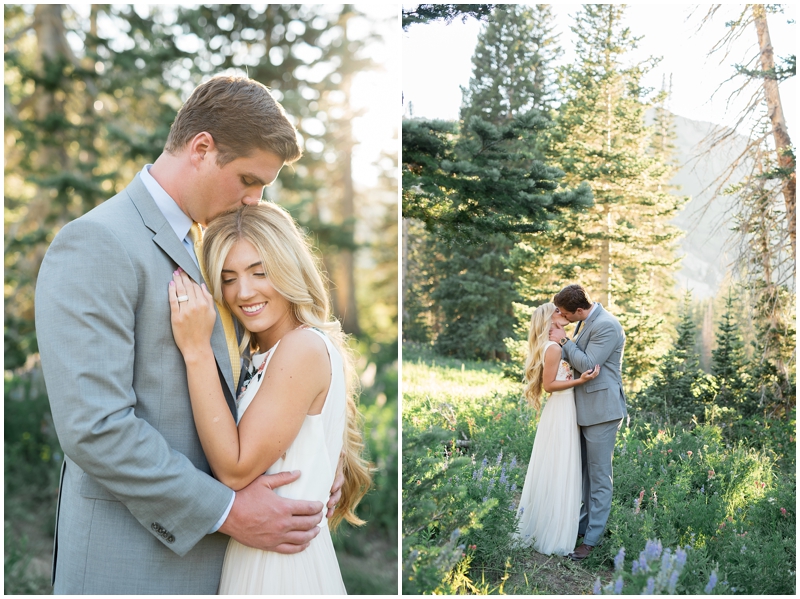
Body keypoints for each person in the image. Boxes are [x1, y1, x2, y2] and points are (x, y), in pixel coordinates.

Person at [35, 76, 343, 594]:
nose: (254, 200)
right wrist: (228, 511)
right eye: (248, 179)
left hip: (226, 567)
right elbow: (95, 428)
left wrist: (307, 456)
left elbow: (260, 375)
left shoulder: (215, 248)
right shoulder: (98, 242)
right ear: (202, 149)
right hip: (133, 565)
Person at [168, 202, 371, 594]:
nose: (244, 292)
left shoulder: (301, 348)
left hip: (280, 571)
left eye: (260, 272)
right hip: (255, 556)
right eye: (227, 279)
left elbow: (235, 468)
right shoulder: (264, 352)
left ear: (289, 267)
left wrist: (194, 350)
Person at [514, 302, 600, 556]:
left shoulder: (557, 344)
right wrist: (580, 380)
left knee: (560, 466)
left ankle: (554, 524)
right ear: (551, 319)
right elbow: (549, 385)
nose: (564, 314)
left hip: (566, 409)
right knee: (559, 466)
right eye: (559, 312)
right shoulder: (551, 348)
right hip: (560, 409)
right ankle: (550, 530)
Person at [548, 284, 627, 561]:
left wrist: (564, 341)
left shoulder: (607, 325)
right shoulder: (586, 320)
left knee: (599, 476)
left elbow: (589, 364)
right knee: (583, 473)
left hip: (602, 410)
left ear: (579, 310)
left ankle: (591, 540)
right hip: (584, 408)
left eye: (566, 314)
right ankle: (583, 526)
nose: (564, 317)